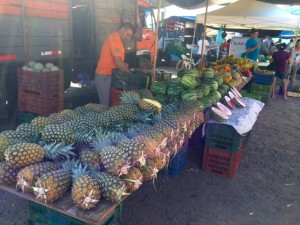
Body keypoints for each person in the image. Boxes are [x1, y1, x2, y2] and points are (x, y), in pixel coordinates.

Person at [95, 22, 133, 106]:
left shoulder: (118, 40)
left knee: (109, 103)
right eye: (127, 35)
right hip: (104, 76)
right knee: (104, 105)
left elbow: (118, 61)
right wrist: (130, 74)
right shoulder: (114, 39)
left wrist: (124, 65)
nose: (127, 38)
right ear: (122, 30)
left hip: (109, 75)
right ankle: (103, 118)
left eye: (129, 36)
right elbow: (118, 61)